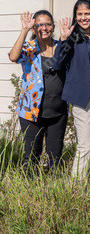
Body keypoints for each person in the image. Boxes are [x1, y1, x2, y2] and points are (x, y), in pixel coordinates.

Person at [52, 0, 90, 176]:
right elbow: (56, 63)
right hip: (83, 98)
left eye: (87, 13)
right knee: (85, 145)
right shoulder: (72, 38)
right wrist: (63, 40)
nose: (83, 18)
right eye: (79, 14)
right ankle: (77, 186)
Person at [9, 11, 67, 171]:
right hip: (31, 111)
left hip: (58, 111)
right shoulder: (29, 48)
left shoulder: (61, 47)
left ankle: (54, 185)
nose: (44, 28)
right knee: (31, 156)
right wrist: (24, 30)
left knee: (55, 157)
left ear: (53, 26)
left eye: (47, 24)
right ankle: (29, 185)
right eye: (39, 25)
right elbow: (13, 57)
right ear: (34, 29)